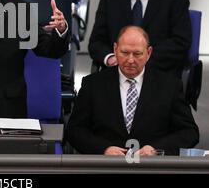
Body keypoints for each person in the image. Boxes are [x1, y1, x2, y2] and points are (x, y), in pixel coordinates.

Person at [66, 26, 199, 156]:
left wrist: (156, 149)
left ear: (149, 53)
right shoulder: (92, 84)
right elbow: (75, 130)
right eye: (125, 52)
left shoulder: (170, 86)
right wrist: (103, 149)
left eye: (137, 54)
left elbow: (189, 132)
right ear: (115, 49)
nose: (130, 60)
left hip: (152, 167)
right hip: (106, 166)